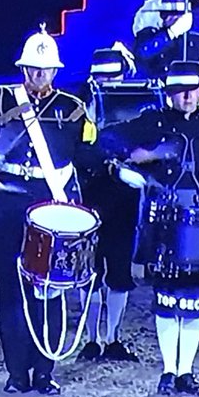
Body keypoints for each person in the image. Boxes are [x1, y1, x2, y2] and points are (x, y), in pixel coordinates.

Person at [100, 59, 199, 394]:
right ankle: (168, 371)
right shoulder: (152, 121)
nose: (187, 96)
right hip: (164, 219)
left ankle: (185, 371)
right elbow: (105, 140)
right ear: (169, 92)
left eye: (193, 89)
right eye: (180, 90)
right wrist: (141, 154)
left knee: (195, 297)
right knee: (167, 296)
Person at [0, 27, 96, 395]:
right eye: (33, 68)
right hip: (6, 201)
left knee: (50, 288)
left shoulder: (73, 108)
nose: (39, 74)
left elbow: (87, 156)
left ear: (55, 71)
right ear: (22, 68)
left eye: (46, 69)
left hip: (50, 200)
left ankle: (44, 371)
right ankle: (16, 372)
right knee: (12, 289)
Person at [75, 43, 146, 362]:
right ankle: (91, 338)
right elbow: (74, 149)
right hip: (89, 193)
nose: (106, 83)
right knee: (89, 270)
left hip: (124, 197)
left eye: (112, 77)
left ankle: (113, 337)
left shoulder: (137, 105)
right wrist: (108, 163)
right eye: (101, 77)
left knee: (119, 270)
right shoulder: (78, 105)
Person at [132, 0, 199, 79]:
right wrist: (171, 33)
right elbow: (142, 54)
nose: (172, 18)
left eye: (178, 14)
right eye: (166, 14)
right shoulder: (149, 36)